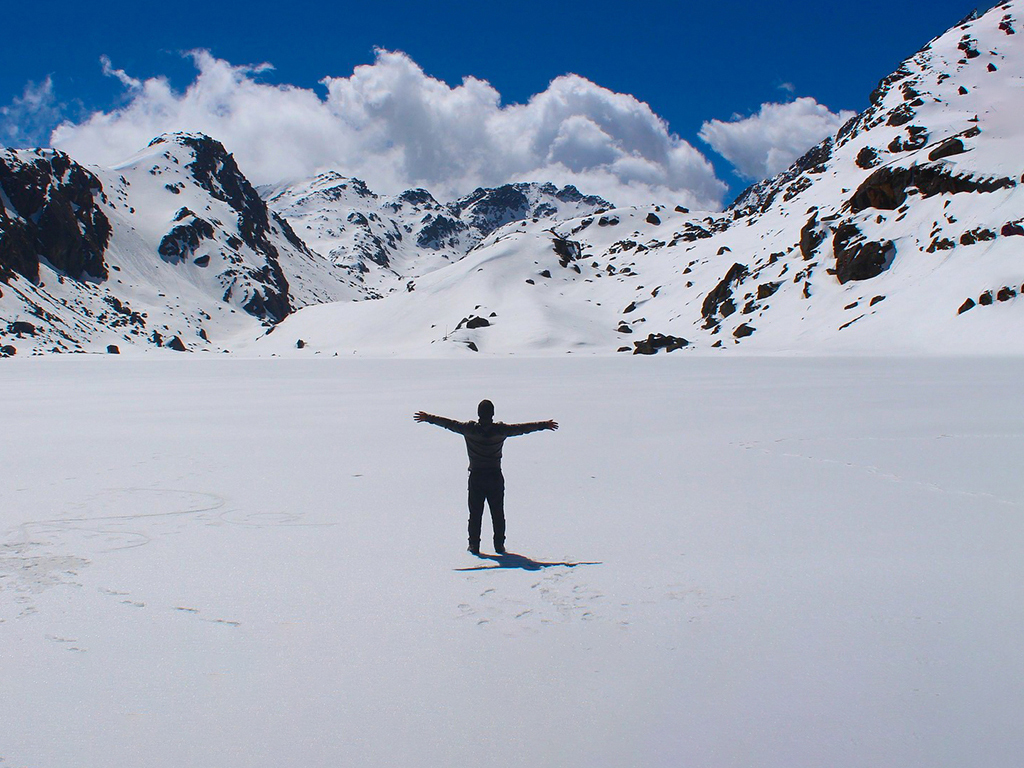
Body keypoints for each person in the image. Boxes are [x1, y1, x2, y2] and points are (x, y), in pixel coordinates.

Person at [414, 400, 558, 555]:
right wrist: (544, 425)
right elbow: (522, 429)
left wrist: (428, 417)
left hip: (477, 477)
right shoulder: (500, 430)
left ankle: (474, 545)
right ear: (492, 414)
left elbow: (449, 424)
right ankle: (499, 545)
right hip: (495, 476)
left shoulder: (469, 429)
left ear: (478, 413)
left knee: (475, 513)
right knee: (497, 512)